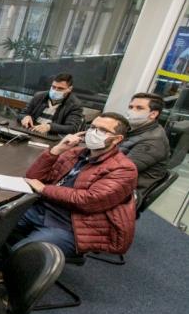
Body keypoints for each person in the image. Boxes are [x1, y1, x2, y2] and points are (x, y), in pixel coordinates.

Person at [11, 113, 137, 257]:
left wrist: (44, 189)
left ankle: (5, 273)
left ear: (117, 139)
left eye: (102, 130)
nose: (94, 132)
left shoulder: (124, 169)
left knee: (25, 251)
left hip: (74, 225)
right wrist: (56, 150)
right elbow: (33, 178)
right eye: (92, 127)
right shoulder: (74, 153)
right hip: (43, 208)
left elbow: (89, 201)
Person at [121, 92, 170, 204]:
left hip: (127, 194)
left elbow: (121, 170)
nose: (132, 111)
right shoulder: (132, 129)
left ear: (153, 114)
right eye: (131, 107)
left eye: (139, 108)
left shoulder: (154, 141)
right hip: (115, 183)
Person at [18, 73, 84, 136]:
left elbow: (72, 128)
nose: (55, 90)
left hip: (51, 137)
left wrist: (50, 127)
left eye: (60, 88)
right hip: (31, 131)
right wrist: (25, 117)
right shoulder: (39, 96)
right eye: (53, 87)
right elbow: (21, 114)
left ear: (69, 89)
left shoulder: (75, 104)